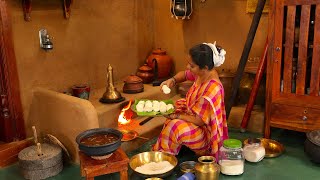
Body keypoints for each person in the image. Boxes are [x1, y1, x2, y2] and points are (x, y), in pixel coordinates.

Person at [152, 42, 229, 160]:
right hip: (194, 117)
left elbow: (199, 121)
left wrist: (177, 116)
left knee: (174, 126)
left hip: (206, 134)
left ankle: (164, 160)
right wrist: (172, 80)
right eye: (189, 63)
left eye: (192, 66)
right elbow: (185, 75)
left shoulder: (212, 88)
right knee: (172, 116)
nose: (188, 67)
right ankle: (172, 150)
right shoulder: (202, 73)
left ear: (205, 68)